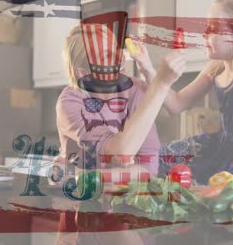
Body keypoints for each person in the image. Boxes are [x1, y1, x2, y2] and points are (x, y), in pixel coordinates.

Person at [54, 13, 185, 245]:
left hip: (131, 209)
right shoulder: (70, 102)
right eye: (106, 55)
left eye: (116, 49)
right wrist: (161, 83)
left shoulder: (136, 90)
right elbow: (121, 155)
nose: (119, 57)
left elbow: (147, 170)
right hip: (84, 213)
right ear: (85, 74)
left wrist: (92, 176)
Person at [135, 0, 233, 187]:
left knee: (225, 204)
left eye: (214, 28)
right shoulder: (217, 64)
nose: (204, 33)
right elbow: (176, 104)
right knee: (158, 159)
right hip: (223, 145)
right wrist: (148, 69)